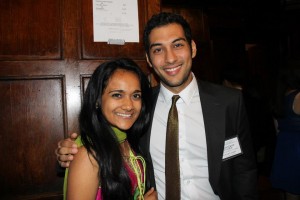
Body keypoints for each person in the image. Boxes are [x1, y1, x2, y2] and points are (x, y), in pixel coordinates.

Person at [56, 12, 258, 199]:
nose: (170, 58)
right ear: (149, 59)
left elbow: (244, 169)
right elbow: (103, 142)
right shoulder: (140, 107)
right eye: (158, 49)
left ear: (193, 48)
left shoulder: (228, 102)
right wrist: (71, 151)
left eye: (178, 45)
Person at [63, 58, 157, 200]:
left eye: (136, 95)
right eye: (117, 95)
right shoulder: (88, 156)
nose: (129, 105)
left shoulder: (128, 141)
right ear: (97, 100)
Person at [221, 66, 277, 176]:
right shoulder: (256, 100)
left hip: (236, 154)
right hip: (255, 151)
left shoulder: (226, 103)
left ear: (227, 82)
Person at [270, 69, 300, 200]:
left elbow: (277, 128)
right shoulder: (298, 96)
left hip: (285, 146)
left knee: (290, 191)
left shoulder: (280, 96)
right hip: (297, 147)